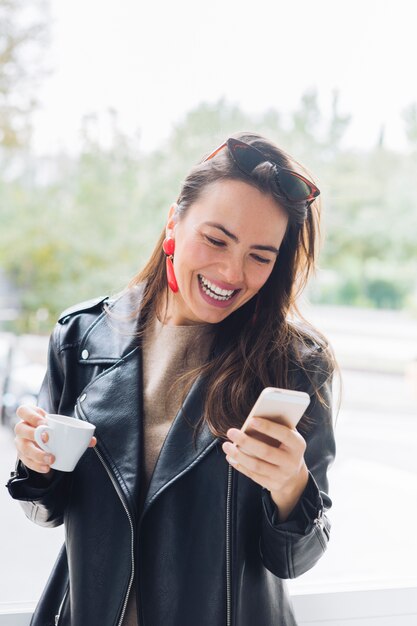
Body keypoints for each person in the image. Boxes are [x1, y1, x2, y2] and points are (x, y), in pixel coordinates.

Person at [7, 131, 336, 626]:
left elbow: (293, 560)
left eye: (260, 256)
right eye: (216, 239)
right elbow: (46, 513)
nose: (231, 271)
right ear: (173, 222)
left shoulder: (296, 364)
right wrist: (36, 465)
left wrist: (292, 486)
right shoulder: (80, 336)